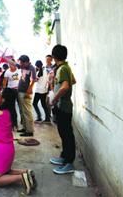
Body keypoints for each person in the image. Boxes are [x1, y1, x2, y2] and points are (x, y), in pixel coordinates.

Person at [0, 87, 36, 194]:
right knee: (6, 171)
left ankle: (21, 177)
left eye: (0, 92)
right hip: (8, 148)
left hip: (0, 149)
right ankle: (27, 172)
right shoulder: (9, 112)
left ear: (4, 98)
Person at [49, 45, 77, 174]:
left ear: (54, 57)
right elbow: (73, 81)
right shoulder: (65, 67)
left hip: (63, 106)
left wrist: (54, 99)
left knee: (66, 135)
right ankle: (64, 157)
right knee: (64, 133)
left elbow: (65, 87)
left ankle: (69, 163)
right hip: (63, 106)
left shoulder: (62, 69)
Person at [17, 55, 37, 137]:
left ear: (26, 62)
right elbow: (14, 63)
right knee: (22, 111)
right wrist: (5, 58)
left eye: (21, 62)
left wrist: (29, 89)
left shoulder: (31, 68)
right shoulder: (23, 66)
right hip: (21, 91)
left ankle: (29, 131)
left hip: (25, 92)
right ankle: (25, 128)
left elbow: (34, 79)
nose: (20, 64)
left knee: (27, 111)